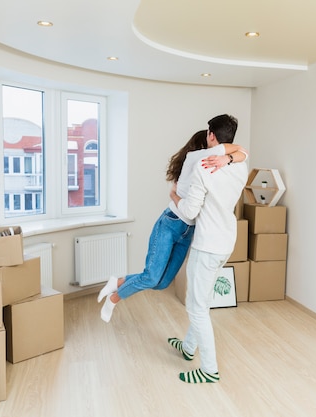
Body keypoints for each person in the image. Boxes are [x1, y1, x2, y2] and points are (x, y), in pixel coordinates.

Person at [98, 129, 249, 323]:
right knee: (152, 277)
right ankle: (114, 298)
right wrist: (228, 156)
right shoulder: (197, 157)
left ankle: (117, 281)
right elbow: (242, 150)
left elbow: (241, 154)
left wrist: (227, 159)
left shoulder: (209, 165)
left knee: (162, 283)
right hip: (171, 223)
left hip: (188, 231)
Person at [167, 114, 248, 384]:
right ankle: (189, 347)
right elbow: (241, 154)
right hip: (226, 241)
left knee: (196, 307)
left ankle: (210, 370)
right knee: (202, 301)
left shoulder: (203, 166)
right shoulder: (239, 165)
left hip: (208, 244)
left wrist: (175, 196)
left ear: (211, 135)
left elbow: (190, 212)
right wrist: (230, 156)